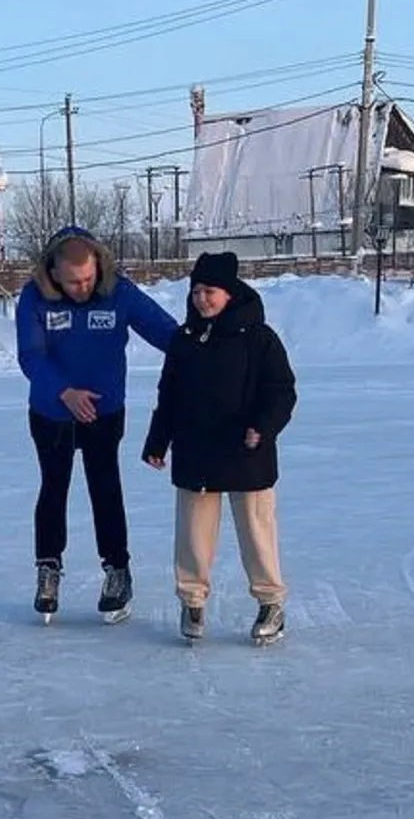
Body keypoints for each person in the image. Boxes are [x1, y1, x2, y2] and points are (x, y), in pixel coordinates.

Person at [15, 225, 179, 624]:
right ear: (54, 272)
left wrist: (209, 349)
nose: (82, 288)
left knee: (105, 488)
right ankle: (48, 569)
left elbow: (165, 332)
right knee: (53, 488)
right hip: (52, 411)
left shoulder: (117, 291)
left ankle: (117, 571)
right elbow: (31, 356)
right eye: (73, 281)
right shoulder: (35, 296)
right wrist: (64, 392)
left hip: (104, 412)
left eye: (87, 278)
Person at [140, 251, 298, 646]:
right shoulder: (185, 338)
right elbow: (170, 395)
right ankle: (192, 601)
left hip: (247, 452)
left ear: (229, 293)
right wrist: (159, 439)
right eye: (196, 291)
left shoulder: (259, 338)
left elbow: (281, 391)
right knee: (193, 534)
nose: (202, 299)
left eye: (210, 291)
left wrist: (263, 427)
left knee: (257, 532)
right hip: (197, 450)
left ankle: (270, 601)